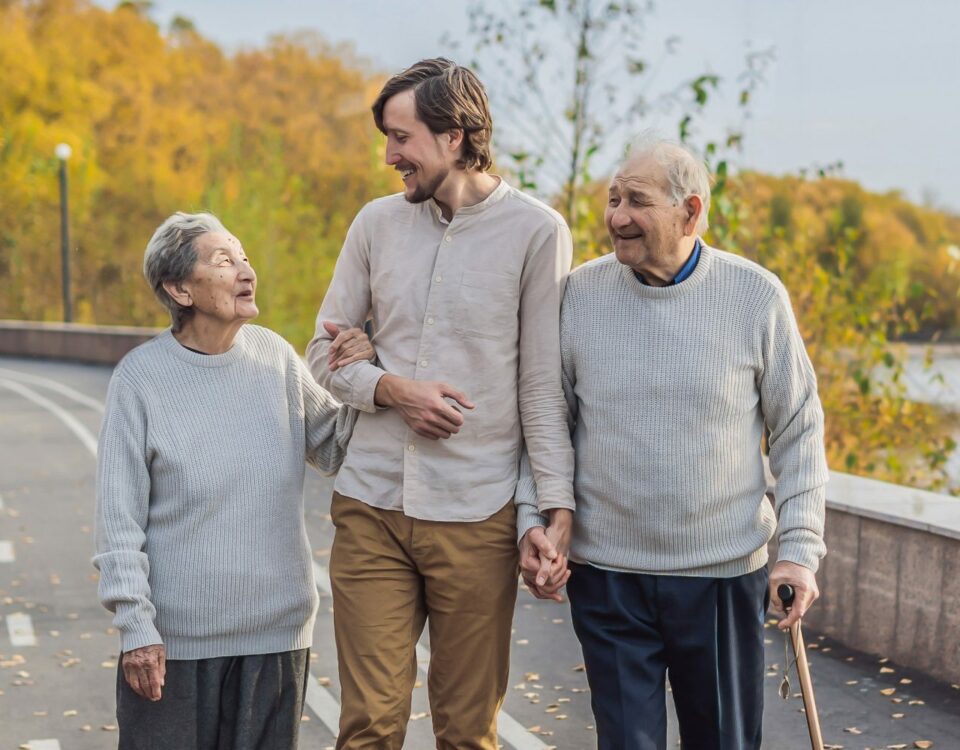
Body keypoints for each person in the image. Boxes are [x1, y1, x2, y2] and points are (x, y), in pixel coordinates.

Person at [516, 137, 829, 750]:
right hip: (607, 575)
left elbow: (799, 429)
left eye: (636, 200)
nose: (616, 216)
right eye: (612, 199)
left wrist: (798, 549)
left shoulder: (755, 296)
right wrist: (535, 514)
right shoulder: (578, 295)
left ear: (690, 212)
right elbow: (548, 420)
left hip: (720, 574)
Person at [305, 58, 575, 749]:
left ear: (455, 136)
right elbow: (319, 356)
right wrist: (393, 389)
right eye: (387, 139)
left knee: (465, 732)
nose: (390, 156)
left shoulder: (537, 234)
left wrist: (555, 510)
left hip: (476, 517)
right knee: (366, 725)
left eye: (402, 138)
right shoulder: (375, 225)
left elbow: (543, 391)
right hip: (371, 507)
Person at [94, 211, 371, 749]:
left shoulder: (274, 357)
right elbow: (117, 519)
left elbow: (337, 446)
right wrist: (136, 628)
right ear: (180, 288)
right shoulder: (140, 379)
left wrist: (358, 375)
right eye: (224, 261)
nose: (246, 271)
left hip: (277, 635)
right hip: (174, 647)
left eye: (244, 257)